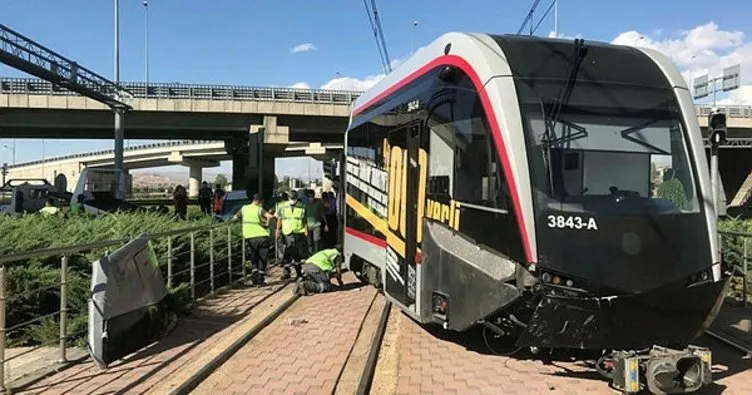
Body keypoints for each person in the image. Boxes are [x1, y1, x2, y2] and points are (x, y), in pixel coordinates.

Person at [233, 193, 275, 286]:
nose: (262, 204)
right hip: (262, 236)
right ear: (258, 201)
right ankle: (260, 279)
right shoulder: (259, 209)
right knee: (263, 258)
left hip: (250, 237)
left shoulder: (244, 208)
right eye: (261, 202)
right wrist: (266, 223)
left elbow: (235, 217)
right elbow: (270, 216)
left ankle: (254, 276)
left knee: (254, 257)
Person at [276, 190, 308, 280]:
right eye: (291, 198)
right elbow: (280, 218)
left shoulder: (302, 206)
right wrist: (278, 229)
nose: (293, 200)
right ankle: (287, 272)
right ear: (288, 198)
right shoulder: (282, 206)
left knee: (297, 252)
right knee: (287, 251)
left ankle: (298, 272)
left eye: (294, 198)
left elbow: (304, 219)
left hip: (298, 231)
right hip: (287, 231)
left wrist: (306, 229)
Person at [304, 189, 328, 255]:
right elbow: (304, 215)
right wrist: (304, 226)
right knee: (309, 242)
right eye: (309, 196)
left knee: (316, 240)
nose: (311, 198)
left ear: (314, 196)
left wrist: (326, 224)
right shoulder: (305, 204)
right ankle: (310, 253)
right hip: (308, 225)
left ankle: (316, 253)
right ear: (307, 197)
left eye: (312, 196)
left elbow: (322, 213)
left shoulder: (319, 203)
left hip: (317, 225)